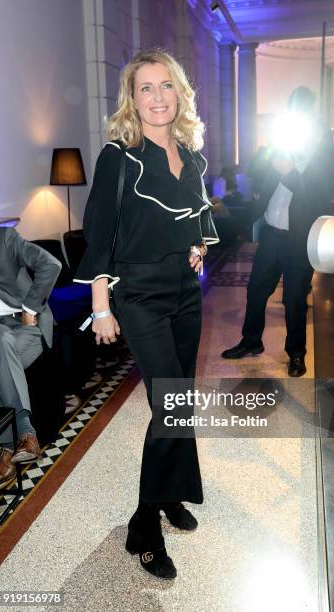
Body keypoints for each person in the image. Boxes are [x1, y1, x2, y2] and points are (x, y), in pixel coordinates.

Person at [74, 49, 219, 580]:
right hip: (139, 296)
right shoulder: (120, 155)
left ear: (179, 92)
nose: (158, 97)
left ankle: (169, 493)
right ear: (131, 100)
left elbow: (196, 214)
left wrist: (197, 245)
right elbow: (100, 231)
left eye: (166, 86)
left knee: (180, 398)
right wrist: (100, 304)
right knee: (172, 409)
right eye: (146, 89)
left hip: (185, 290)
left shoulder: (189, 151)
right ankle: (144, 526)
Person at [221, 87, 334, 376]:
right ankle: (251, 341)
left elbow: (317, 196)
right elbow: (254, 173)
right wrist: (271, 152)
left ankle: (296, 354)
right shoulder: (281, 144)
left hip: (300, 239)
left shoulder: (325, 151)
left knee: (295, 300)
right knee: (256, 290)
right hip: (272, 235)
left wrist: (291, 171)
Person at [0, 227, 61, 487]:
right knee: (0, 338)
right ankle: (25, 436)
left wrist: (30, 307)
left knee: (2, 343)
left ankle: (7, 447)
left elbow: (51, 264)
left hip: (26, 326)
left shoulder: (4, 239)